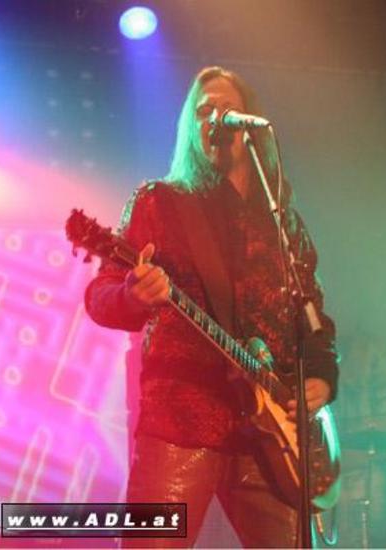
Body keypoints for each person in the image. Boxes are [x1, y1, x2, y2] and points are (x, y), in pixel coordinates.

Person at [84, 66, 339, 548]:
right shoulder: (159, 202)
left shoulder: (283, 223)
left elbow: (314, 317)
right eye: (203, 111)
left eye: (226, 109)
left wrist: (323, 376)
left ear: (249, 127)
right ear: (190, 128)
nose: (215, 118)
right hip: (183, 420)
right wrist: (131, 296)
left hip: (272, 439)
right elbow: (101, 295)